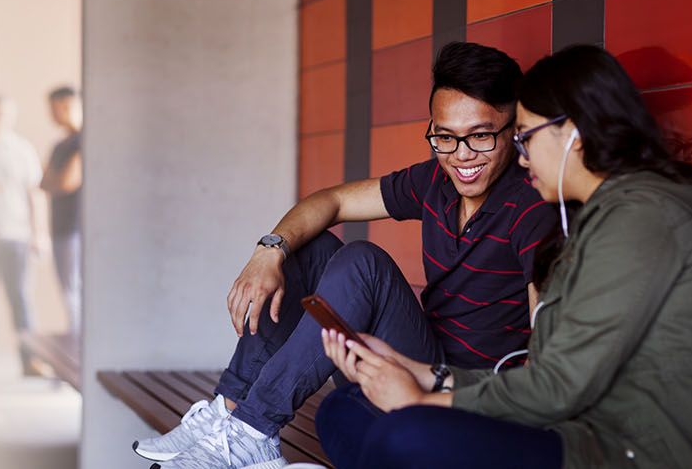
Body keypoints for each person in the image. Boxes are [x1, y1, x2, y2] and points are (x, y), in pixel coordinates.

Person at [316, 44, 692, 468]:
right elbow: (551, 377)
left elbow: (558, 386)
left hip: (628, 453)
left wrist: (424, 399)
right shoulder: (595, 220)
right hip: (575, 432)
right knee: (344, 411)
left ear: (573, 133)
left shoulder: (642, 222)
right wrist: (419, 372)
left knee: (404, 434)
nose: (520, 158)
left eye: (525, 137)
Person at [136, 42, 560, 469]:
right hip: (409, 357)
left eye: (481, 136)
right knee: (309, 245)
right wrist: (269, 250)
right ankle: (227, 415)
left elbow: (547, 363)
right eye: (445, 137)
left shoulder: (530, 206)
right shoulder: (437, 179)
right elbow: (332, 202)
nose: (462, 155)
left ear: (514, 129)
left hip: (460, 390)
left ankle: (255, 428)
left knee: (363, 262)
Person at [0, 96, 47, 379]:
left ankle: (30, 360)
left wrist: (39, 234)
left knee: (21, 300)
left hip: (18, 235)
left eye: (1, 114)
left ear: (11, 117)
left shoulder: (22, 150)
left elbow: (34, 193)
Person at [40, 85, 83, 336]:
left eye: (56, 108)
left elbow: (66, 182)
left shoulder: (84, 141)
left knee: (74, 292)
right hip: (60, 227)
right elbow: (44, 182)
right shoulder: (60, 145)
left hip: (76, 229)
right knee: (67, 292)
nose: (53, 114)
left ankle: (80, 353)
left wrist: (56, 181)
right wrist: (56, 181)